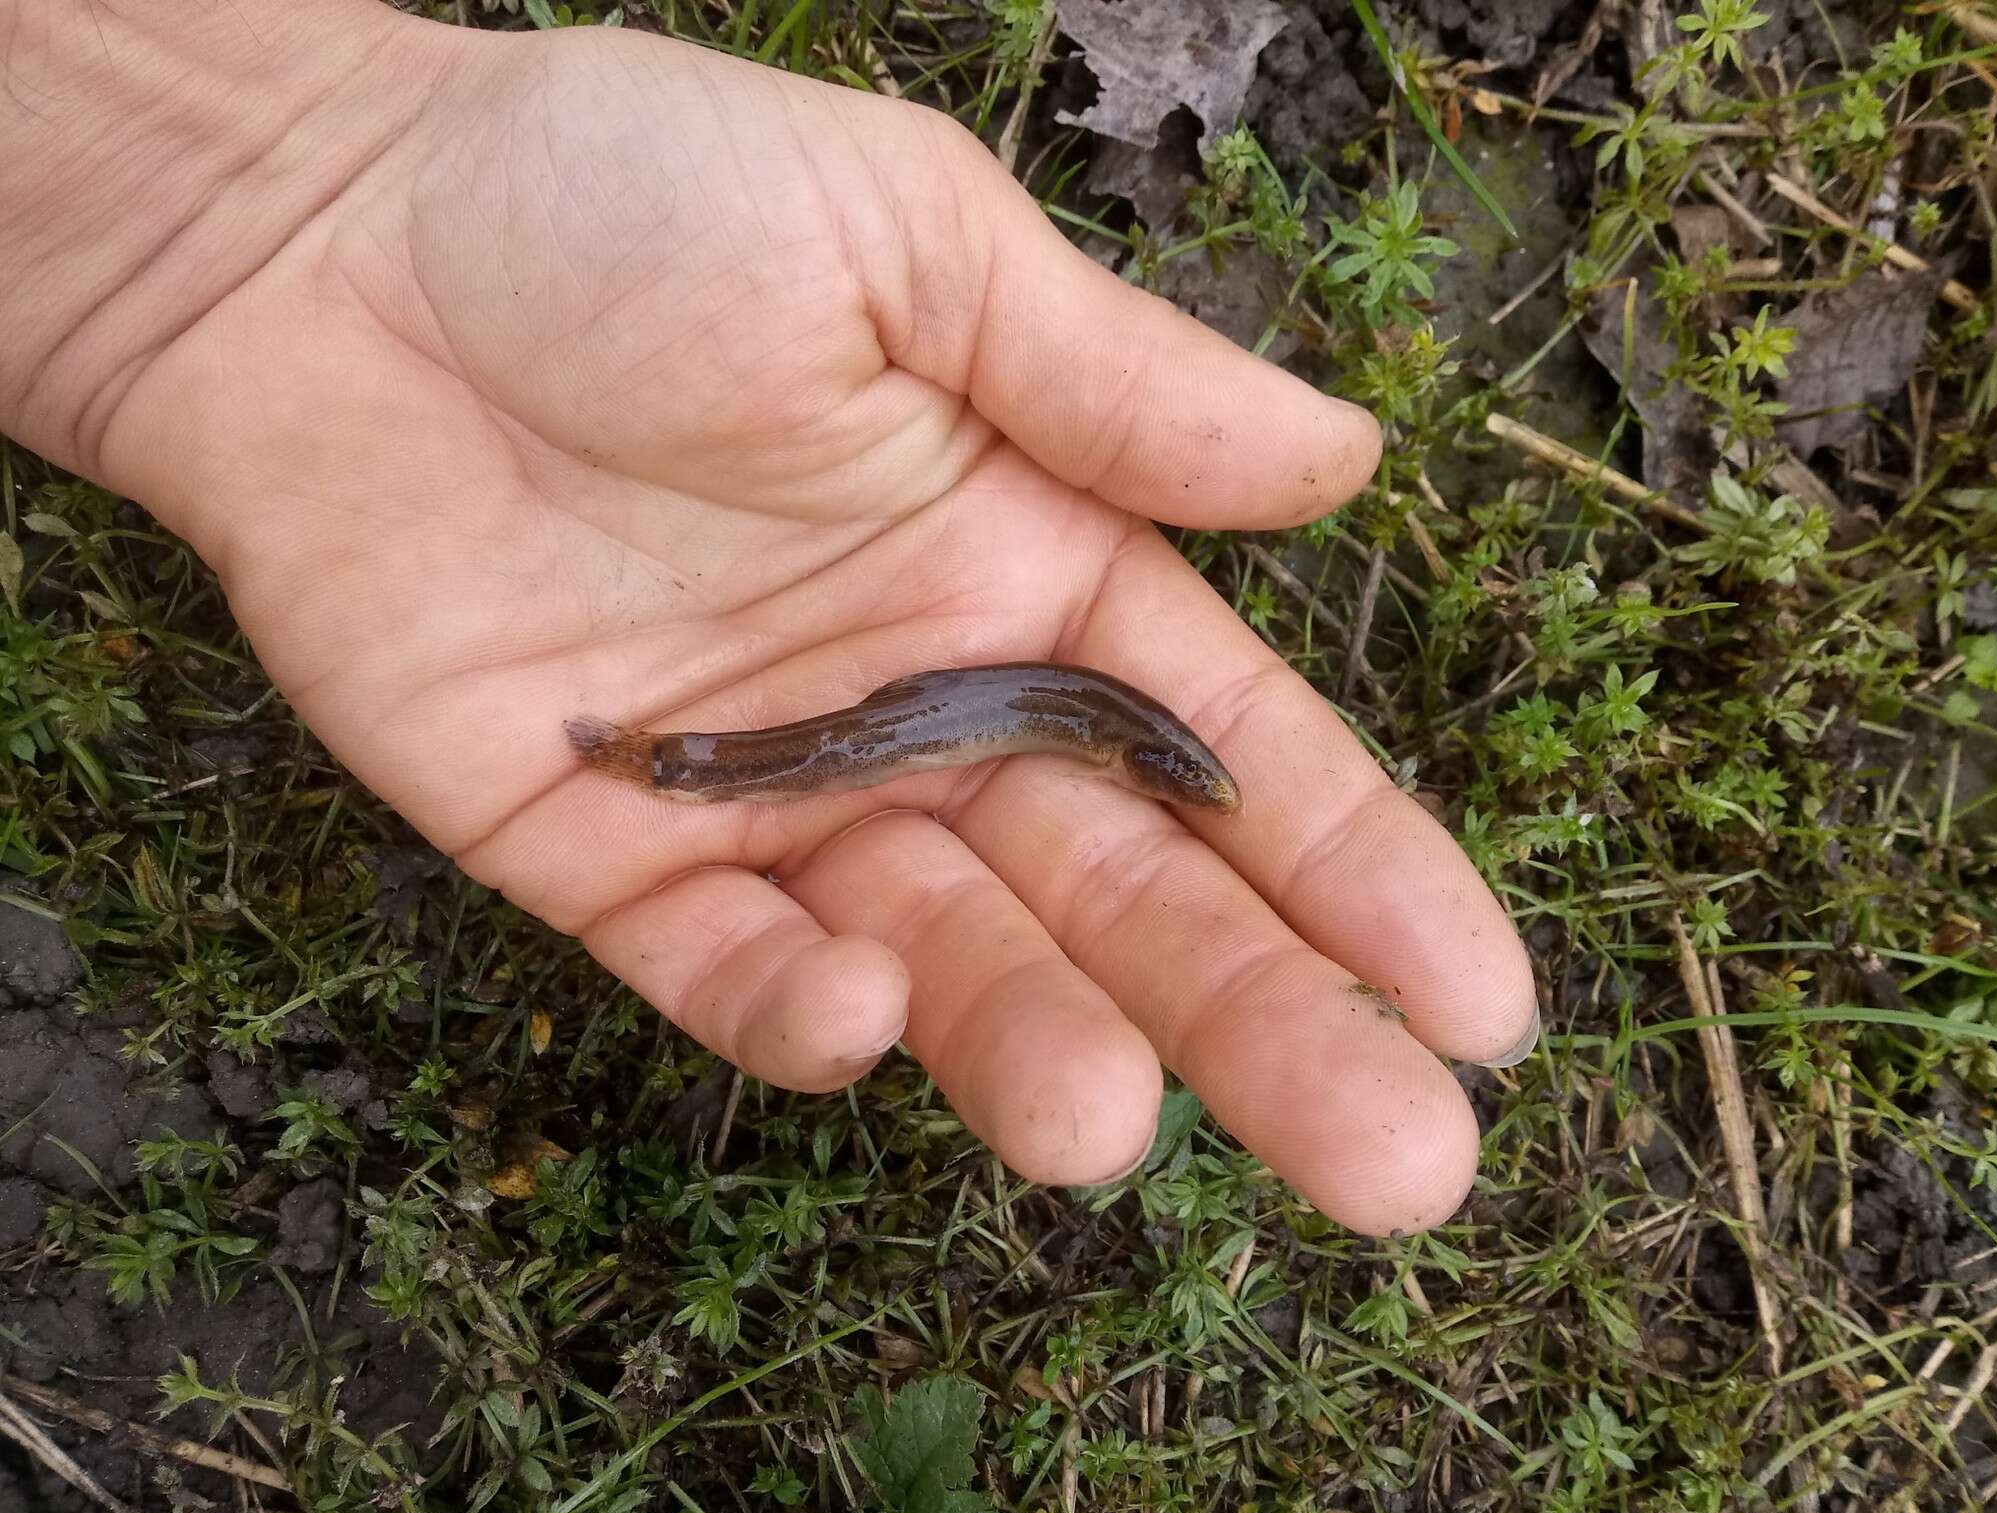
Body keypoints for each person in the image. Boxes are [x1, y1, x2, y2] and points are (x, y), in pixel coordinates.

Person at [0, 0, 1537, 1235]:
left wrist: (221, 188)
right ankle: (676, 765)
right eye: (1172, 773)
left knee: (831, 785)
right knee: (785, 763)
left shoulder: (1104, 728)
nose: (1175, 774)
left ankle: (681, 765)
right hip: (854, 716)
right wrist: (272, 185)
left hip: (913, 711)